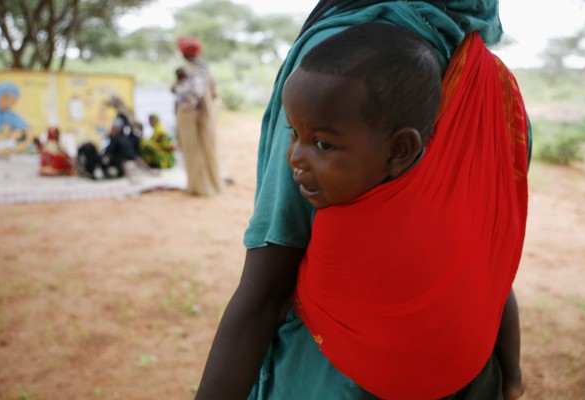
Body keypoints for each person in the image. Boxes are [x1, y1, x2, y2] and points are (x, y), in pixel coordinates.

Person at [195, 2, 528, 400]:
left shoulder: (348, 56)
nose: (295, 157)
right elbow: (496, 270)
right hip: (470, 377)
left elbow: (264, 288)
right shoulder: (497, 88)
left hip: (332, 381)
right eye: (292, 134)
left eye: (321, 143)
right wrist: (511, 376)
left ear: (400, 150)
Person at [174, 36, 222, 197]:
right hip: (206, 113)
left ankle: (198, 187)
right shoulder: (207, 69)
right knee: (207, 147)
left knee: (192, 149)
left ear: (183, 53)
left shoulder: (183, 70)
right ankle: (213, 185)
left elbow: (176, 91)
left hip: (187, 114)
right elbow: (214, 94)